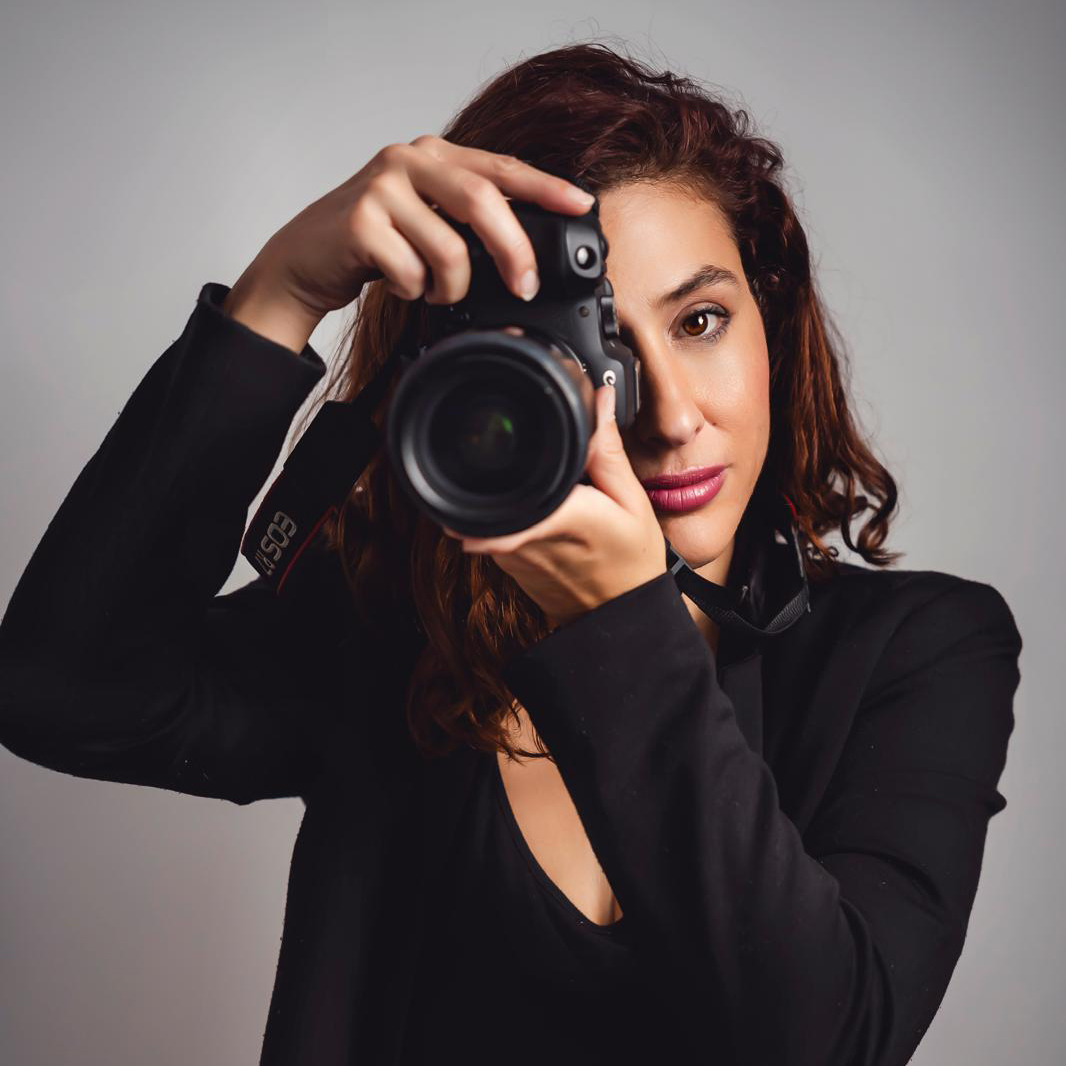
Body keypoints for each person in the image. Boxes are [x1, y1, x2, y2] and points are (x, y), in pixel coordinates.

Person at [0, 41, 1023, 1066]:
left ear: (773, 318)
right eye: (601, 353)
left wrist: (617, 625)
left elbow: (828, 1040)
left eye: (701, 319)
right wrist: (279, 295)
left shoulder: (917, 651)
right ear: (483, 371)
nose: (671, 416)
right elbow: (63, 691)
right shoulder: (391, 631)